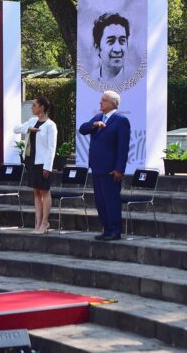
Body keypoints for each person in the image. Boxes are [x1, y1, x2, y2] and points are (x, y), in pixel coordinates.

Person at [78, 90, 130, 241]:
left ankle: (115, 231)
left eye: (104, 100)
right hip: (96, 167)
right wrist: (94, 124)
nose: (100, 103)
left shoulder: (121, 120)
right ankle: (106, 229)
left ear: (113, 103)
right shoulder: (98, 117)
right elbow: (83, 129)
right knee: (100, 201)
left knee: (111, 200)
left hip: (110, 169)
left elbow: (123, 147)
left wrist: (119, 168)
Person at [13, 96, 57, 234]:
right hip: (31, 161)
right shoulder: (32, 121)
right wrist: (29, 129)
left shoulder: (50, 125)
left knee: (45, 191)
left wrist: (47, 167)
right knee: (36, 192)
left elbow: (52, 147)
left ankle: (45, 222)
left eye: (34, 105)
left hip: (43, 162)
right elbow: (16, 129)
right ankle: (37, 223)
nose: (32, 107)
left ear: (42, 107)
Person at [92, 13, 134, 84]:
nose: (117, 49)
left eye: (122, 40)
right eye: (110, 41)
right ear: (97, 48)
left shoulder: (134, 79)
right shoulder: (90, 79)